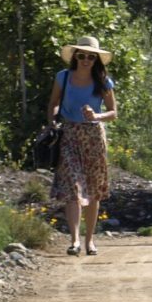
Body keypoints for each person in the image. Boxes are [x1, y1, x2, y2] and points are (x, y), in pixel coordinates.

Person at [47, 36, 117, 257]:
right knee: (73, 187)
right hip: (69, 134)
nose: (86, 60)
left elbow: (113, 112)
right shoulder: (63, 77)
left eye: (91, 56)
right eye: (82, 55)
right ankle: (75, 239)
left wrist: (96, 115)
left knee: (94, 190)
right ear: (75, 57)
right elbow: (53, 103)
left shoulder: (103, 81)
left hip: (94, 136)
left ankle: (90, 240)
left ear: (96, 59)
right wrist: (54, 119)